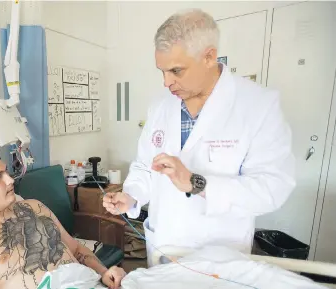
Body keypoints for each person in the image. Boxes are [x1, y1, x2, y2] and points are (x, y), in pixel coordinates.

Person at [103, 9, 295, 265]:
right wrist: (131, 196)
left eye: (176, 71)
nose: (166, 82)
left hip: (221, 251)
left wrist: (197, 183)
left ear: (209, 57)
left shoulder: (258, 105)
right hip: (164, 245)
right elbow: (145, 167)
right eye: (162, 71)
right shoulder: (160, 106)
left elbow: (273, 187)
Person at [0, 147, 126, 289]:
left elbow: (75, 249)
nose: (10, 180)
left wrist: (104, 272)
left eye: (6, 172)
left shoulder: (34, 207)